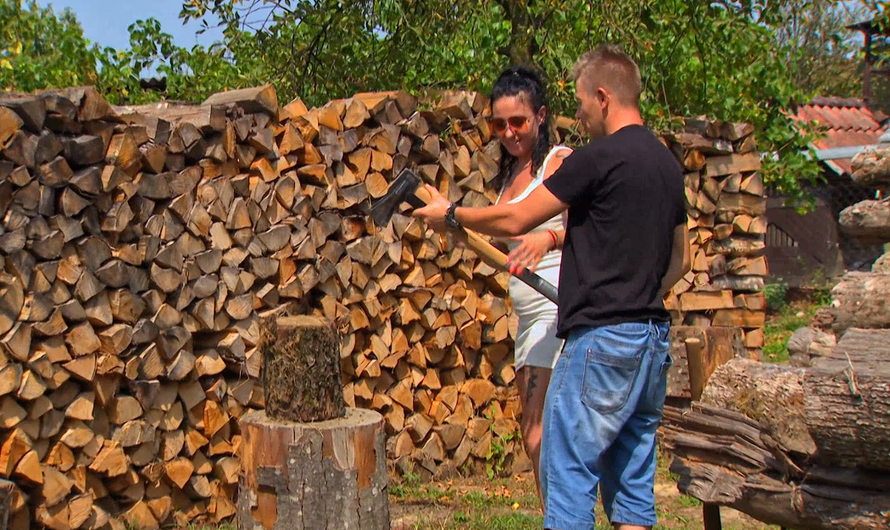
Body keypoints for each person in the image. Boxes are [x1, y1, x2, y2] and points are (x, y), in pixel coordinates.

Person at [412, 45, 691, 530]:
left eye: (582, 104)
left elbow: (519, 215)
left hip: (600, 340)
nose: (580, 117)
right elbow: (682, 258)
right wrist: (639, 294)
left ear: (603, 96)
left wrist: (453, 214)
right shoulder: (666, 164)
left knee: (565, 475)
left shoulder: (595, 159)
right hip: (651, 343)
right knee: (631, 489)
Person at [485, 65, 573, 507]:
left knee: (546, 430)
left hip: (560, 309)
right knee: (532, 429)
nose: (508, 132)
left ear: (540, 115)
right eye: (498, 124)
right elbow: (502, 233)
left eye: (517, 121)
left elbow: (592, 229)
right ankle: (556, 516)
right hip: (528, 318)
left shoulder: (560, 162)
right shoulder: (509, 176)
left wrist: (549, 235)